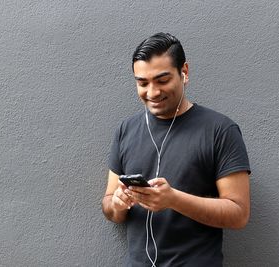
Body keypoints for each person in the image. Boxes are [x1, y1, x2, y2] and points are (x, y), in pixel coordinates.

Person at [101, 32, 251, 267]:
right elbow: (109, 205)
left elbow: (239, 213)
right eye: (142, 83)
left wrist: (173, 199)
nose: (152, 92)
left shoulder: (220, 130)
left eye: (162, 80)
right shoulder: (125, 130)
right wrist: (118, 204)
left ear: (184, 73)